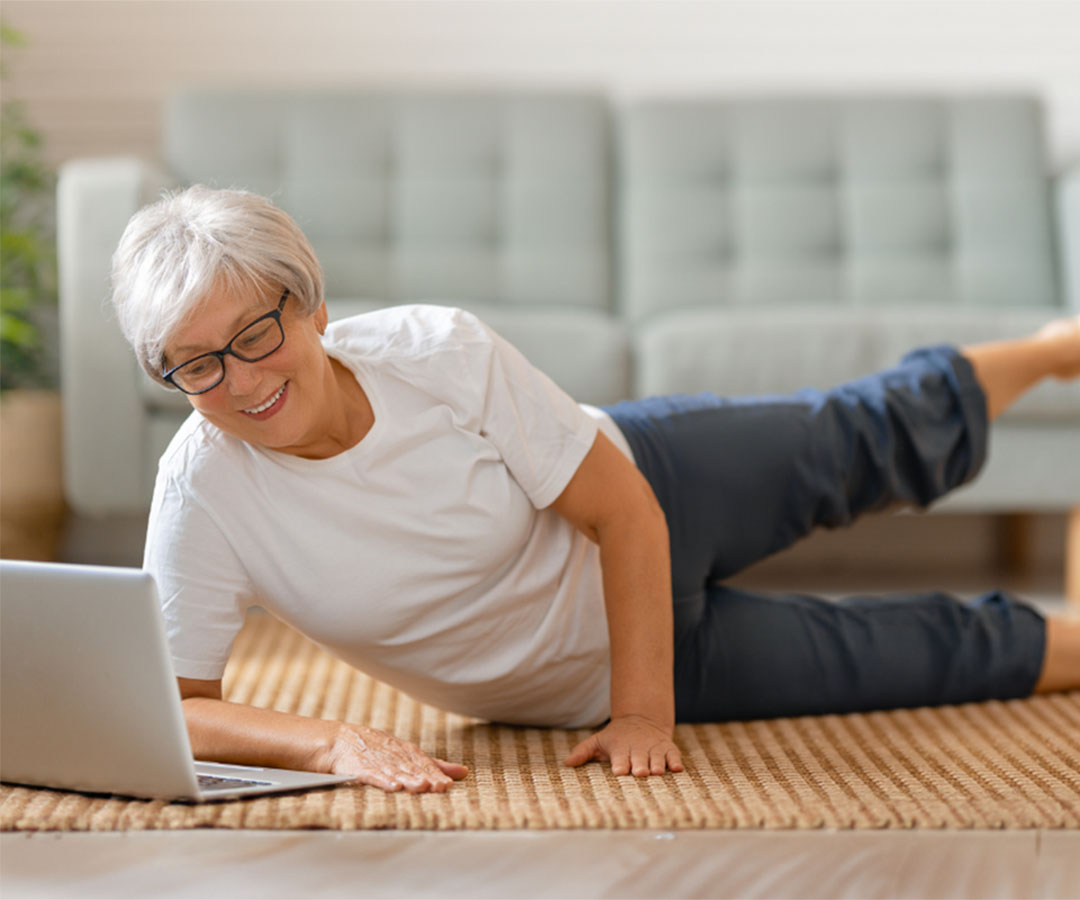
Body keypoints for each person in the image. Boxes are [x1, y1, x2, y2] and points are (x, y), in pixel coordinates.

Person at [110, 185, 1080, 795]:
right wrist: (329, 745)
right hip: (581, 684)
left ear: (314, 307)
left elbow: (619, 511)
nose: (239, 380)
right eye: (195, 365)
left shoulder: (434, 353)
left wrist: (645, 716)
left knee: (869, 437)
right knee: (925, 658)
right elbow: (177, 706)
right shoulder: (202, 490)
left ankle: (1049, 351)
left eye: (256, 334)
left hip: (660, 486)